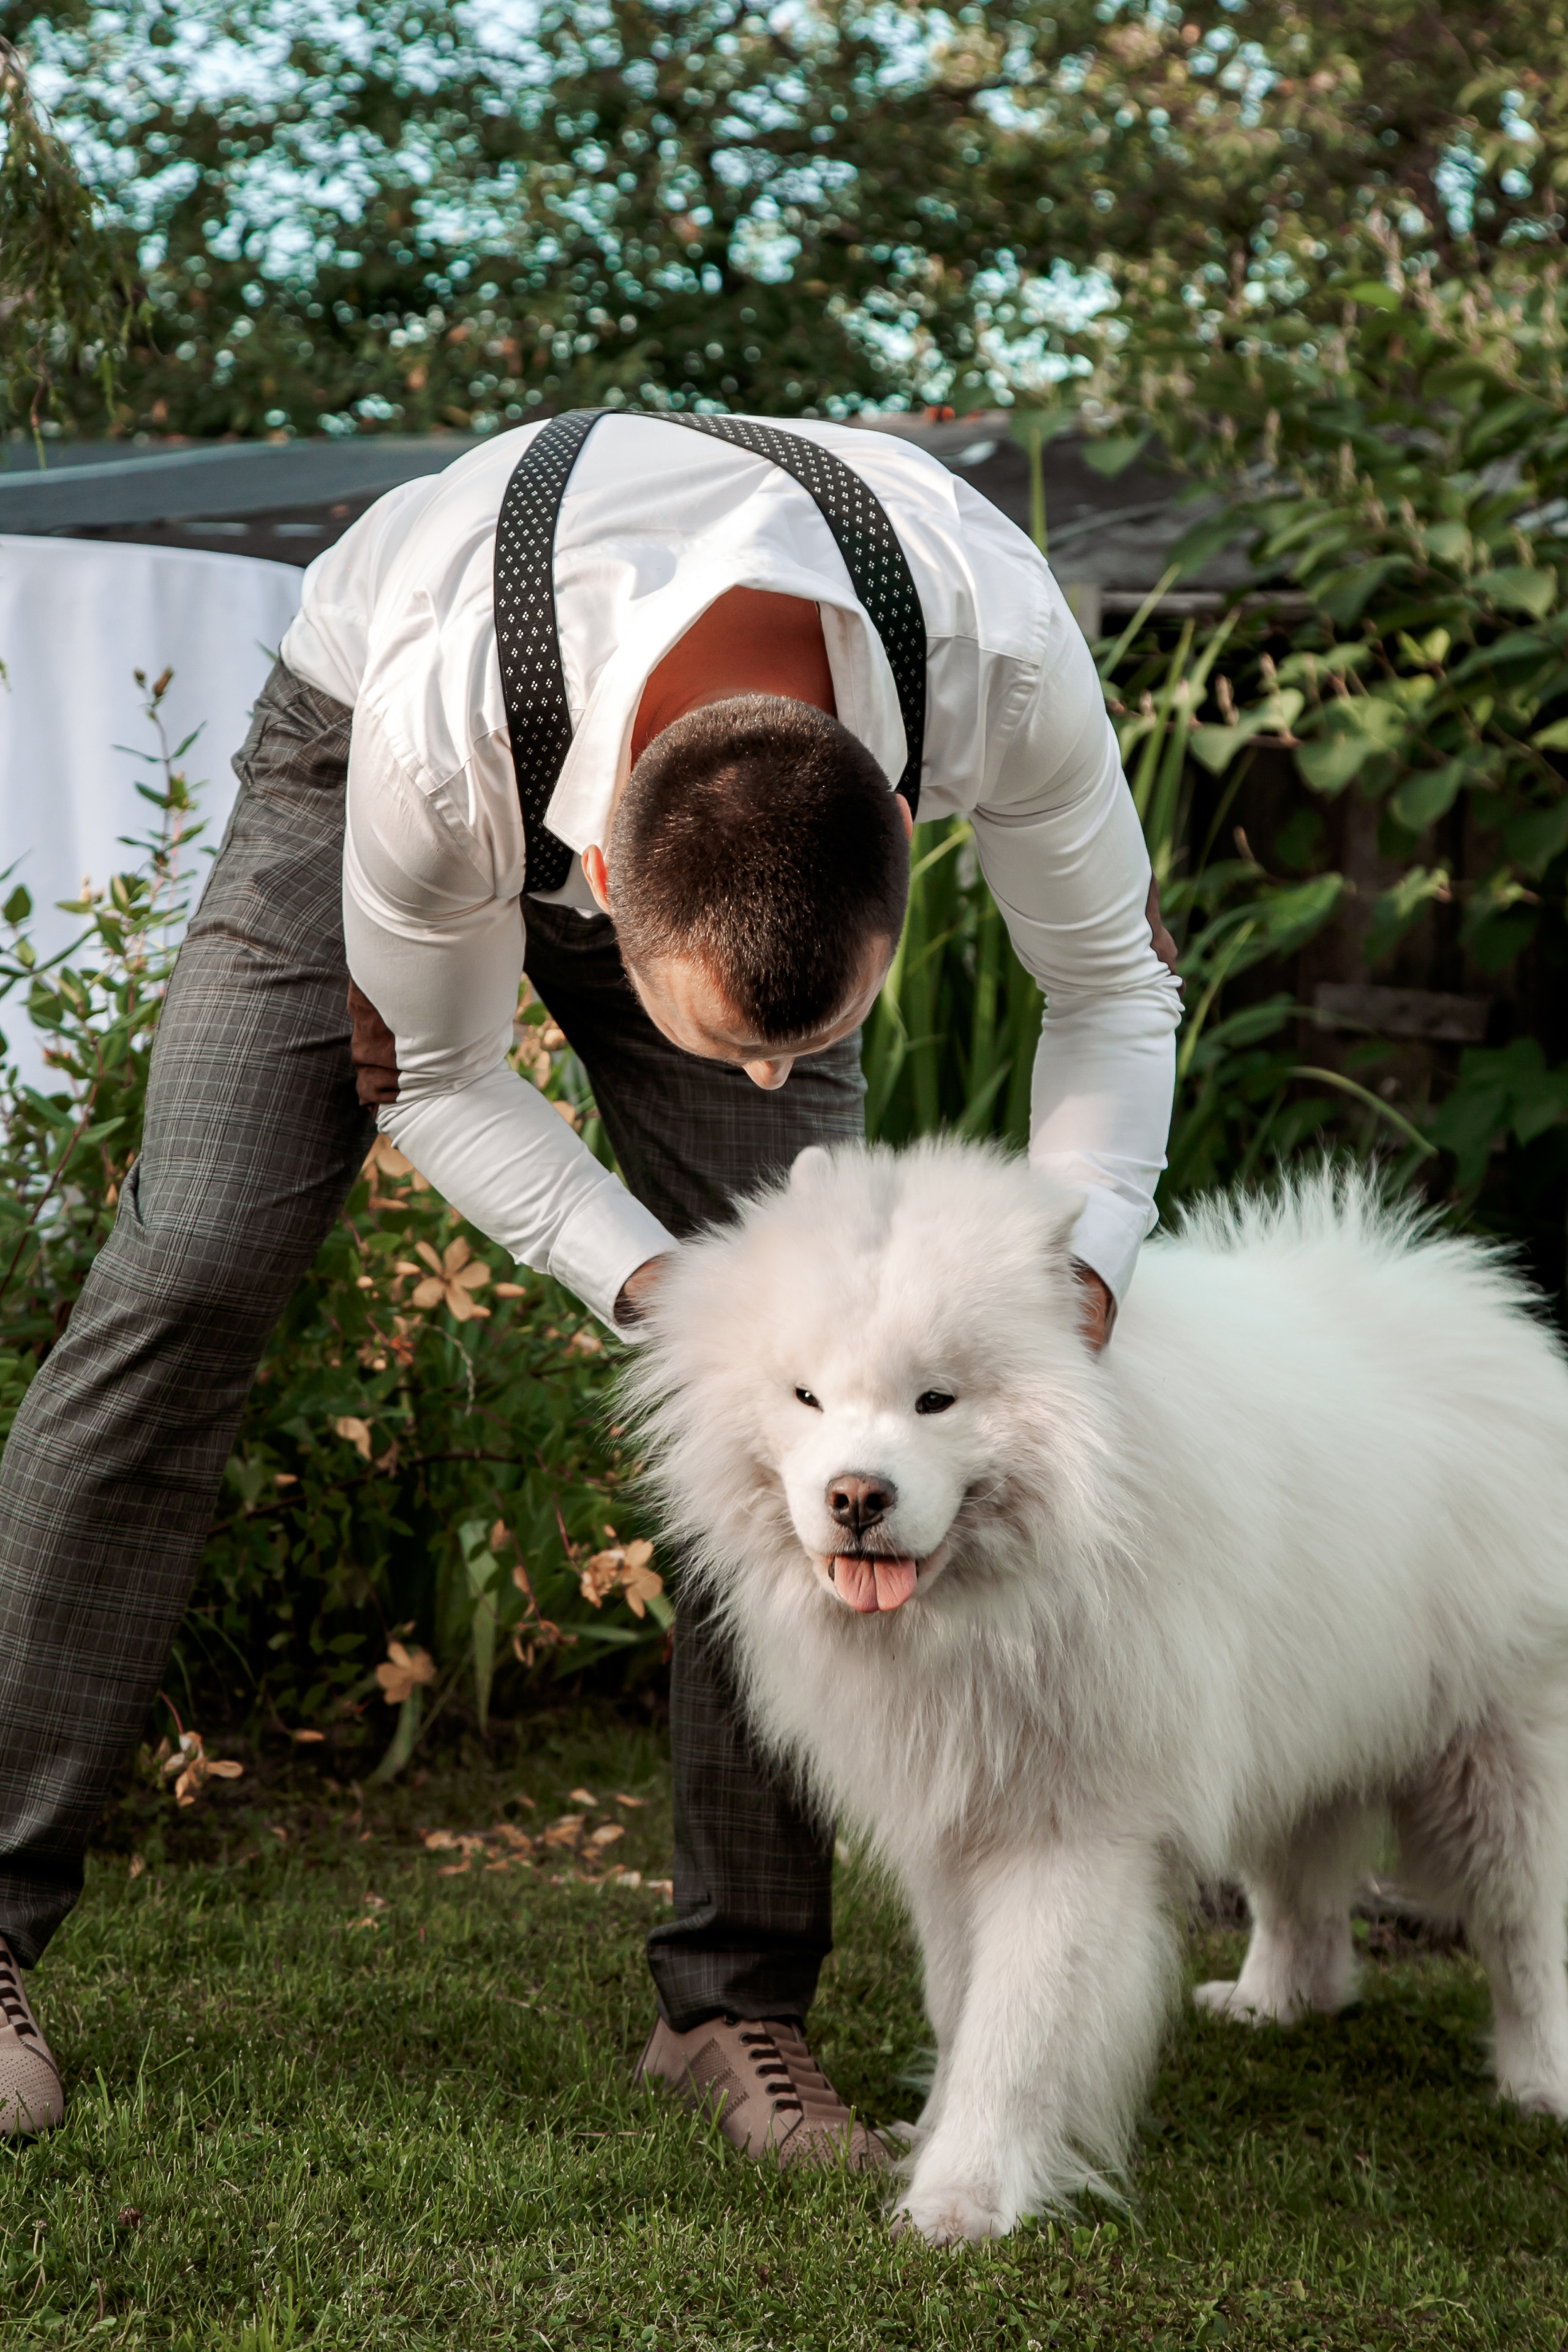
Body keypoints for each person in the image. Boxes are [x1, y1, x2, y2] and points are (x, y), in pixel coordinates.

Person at [0, 410, 1182, 2152]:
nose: (782, 1090)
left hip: (695, 772)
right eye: (747, 1048)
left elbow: (1112, 989)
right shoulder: (435, 742)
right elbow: (445, 1076)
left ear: (912, 841)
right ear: (610, 888)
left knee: (813, 1375)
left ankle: (737, 2005)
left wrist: (1084, 1253)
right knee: (193, 1275)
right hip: (377, 726)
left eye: (827, 1035)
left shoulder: (997, 654)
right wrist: (660, 1296)